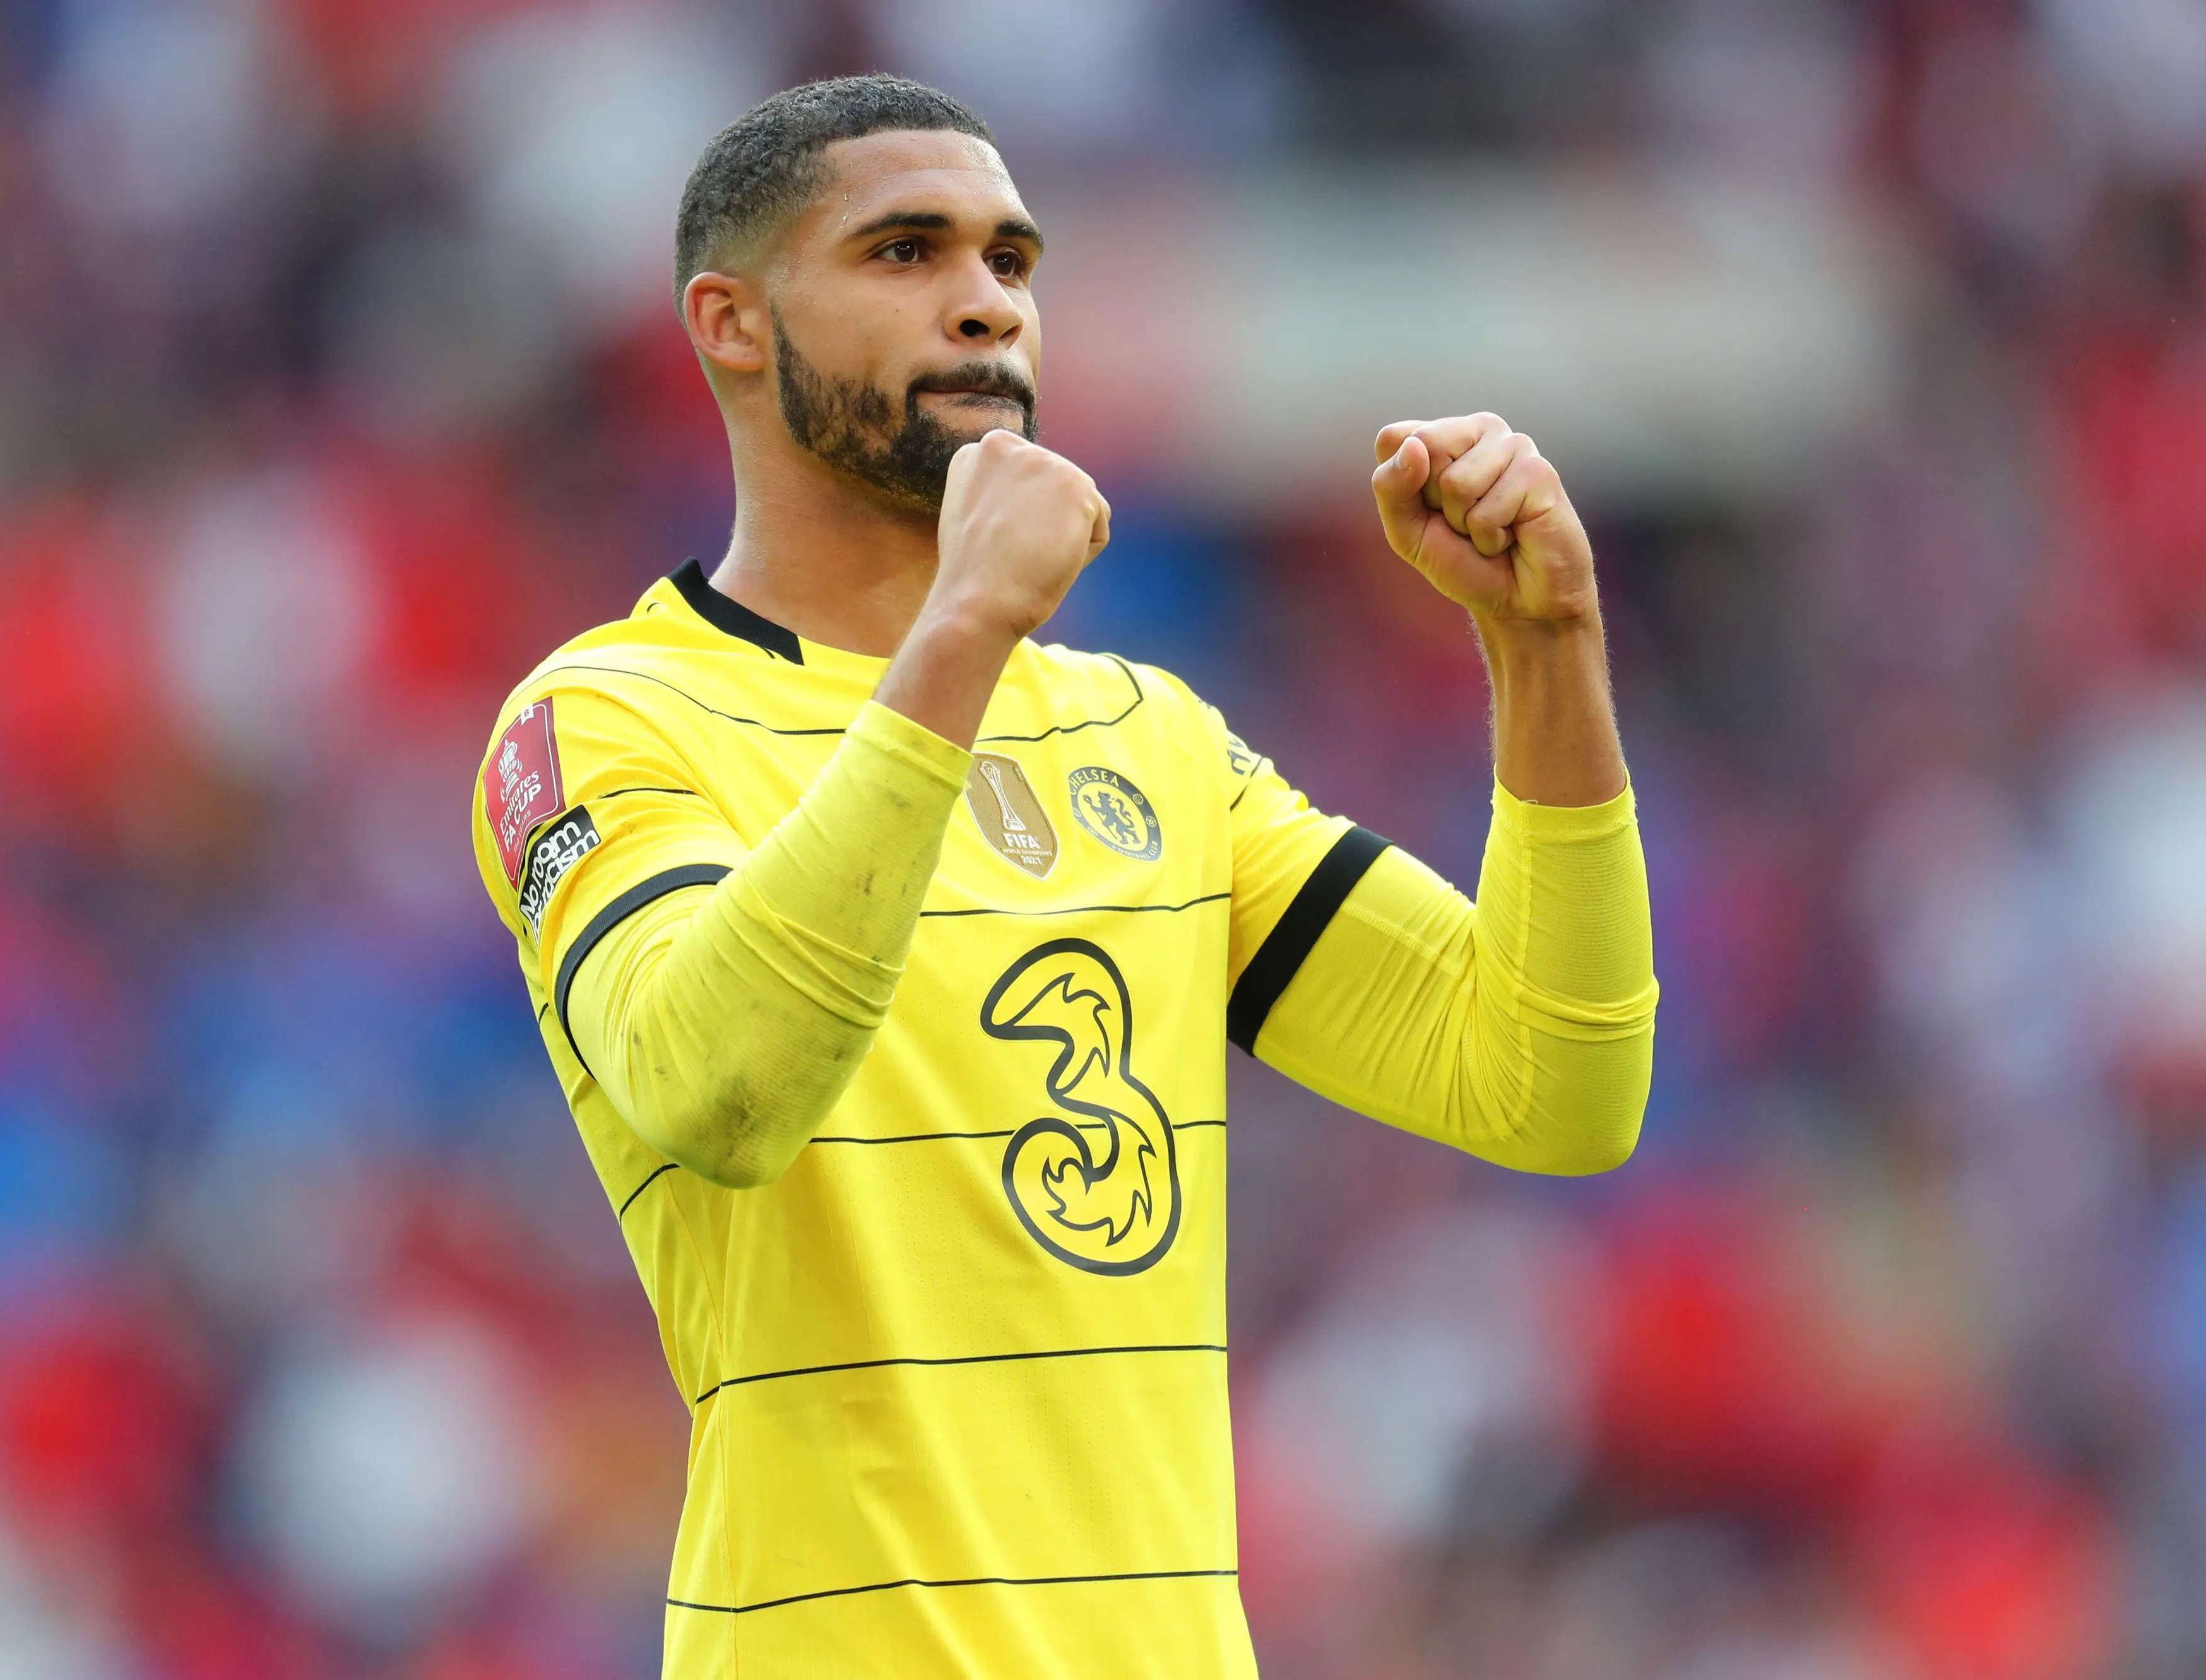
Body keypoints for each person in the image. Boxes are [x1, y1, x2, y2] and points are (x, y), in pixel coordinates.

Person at [470, 73, 1656, 1679]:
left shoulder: (1145, 738)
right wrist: (962, 629)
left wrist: (1545, 651)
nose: (985, 304)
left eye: (1011, 261)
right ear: (732, 323)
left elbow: (1552, 1084)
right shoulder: (606, 718)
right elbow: (718, 1086)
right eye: (905, 252)